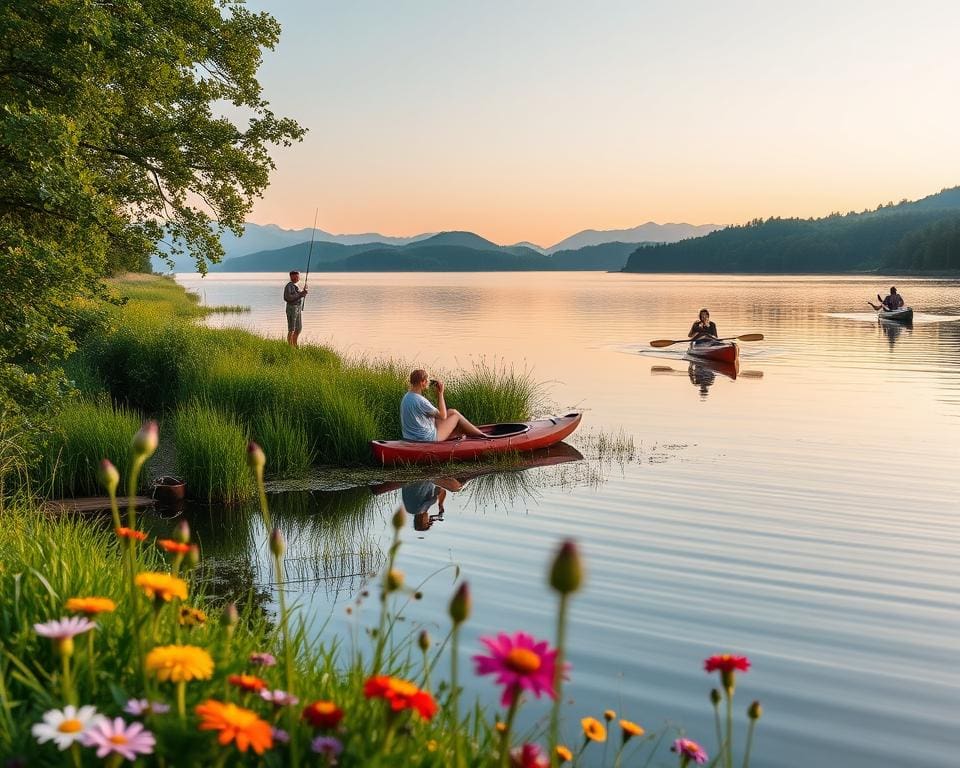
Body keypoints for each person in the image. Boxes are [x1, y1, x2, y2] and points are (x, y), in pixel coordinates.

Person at [400, 369, 489, 442]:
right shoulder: (421, 401)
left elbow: (437, 415)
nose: (428, 383)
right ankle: (482, 436)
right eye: (427, 381)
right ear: (422, 382)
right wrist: (440, 393)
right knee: (456, 415)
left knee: (452, 411)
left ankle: (459, 433)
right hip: (426, 438)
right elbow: (443, 416)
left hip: (410, 437)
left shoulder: (407, 396)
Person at [283, 270, 308, 347]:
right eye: (296, 276)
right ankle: (289, 346)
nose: (298, 277)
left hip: (297, 308)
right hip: (291, 309)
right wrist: (301, 294)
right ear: (291, 277)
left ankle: (295, 345)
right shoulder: (289, 286)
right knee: (292, 329)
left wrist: (304, 292)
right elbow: (288, 298)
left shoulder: (295, 286)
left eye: (298, 276)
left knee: (298, 328)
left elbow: (299, 295)